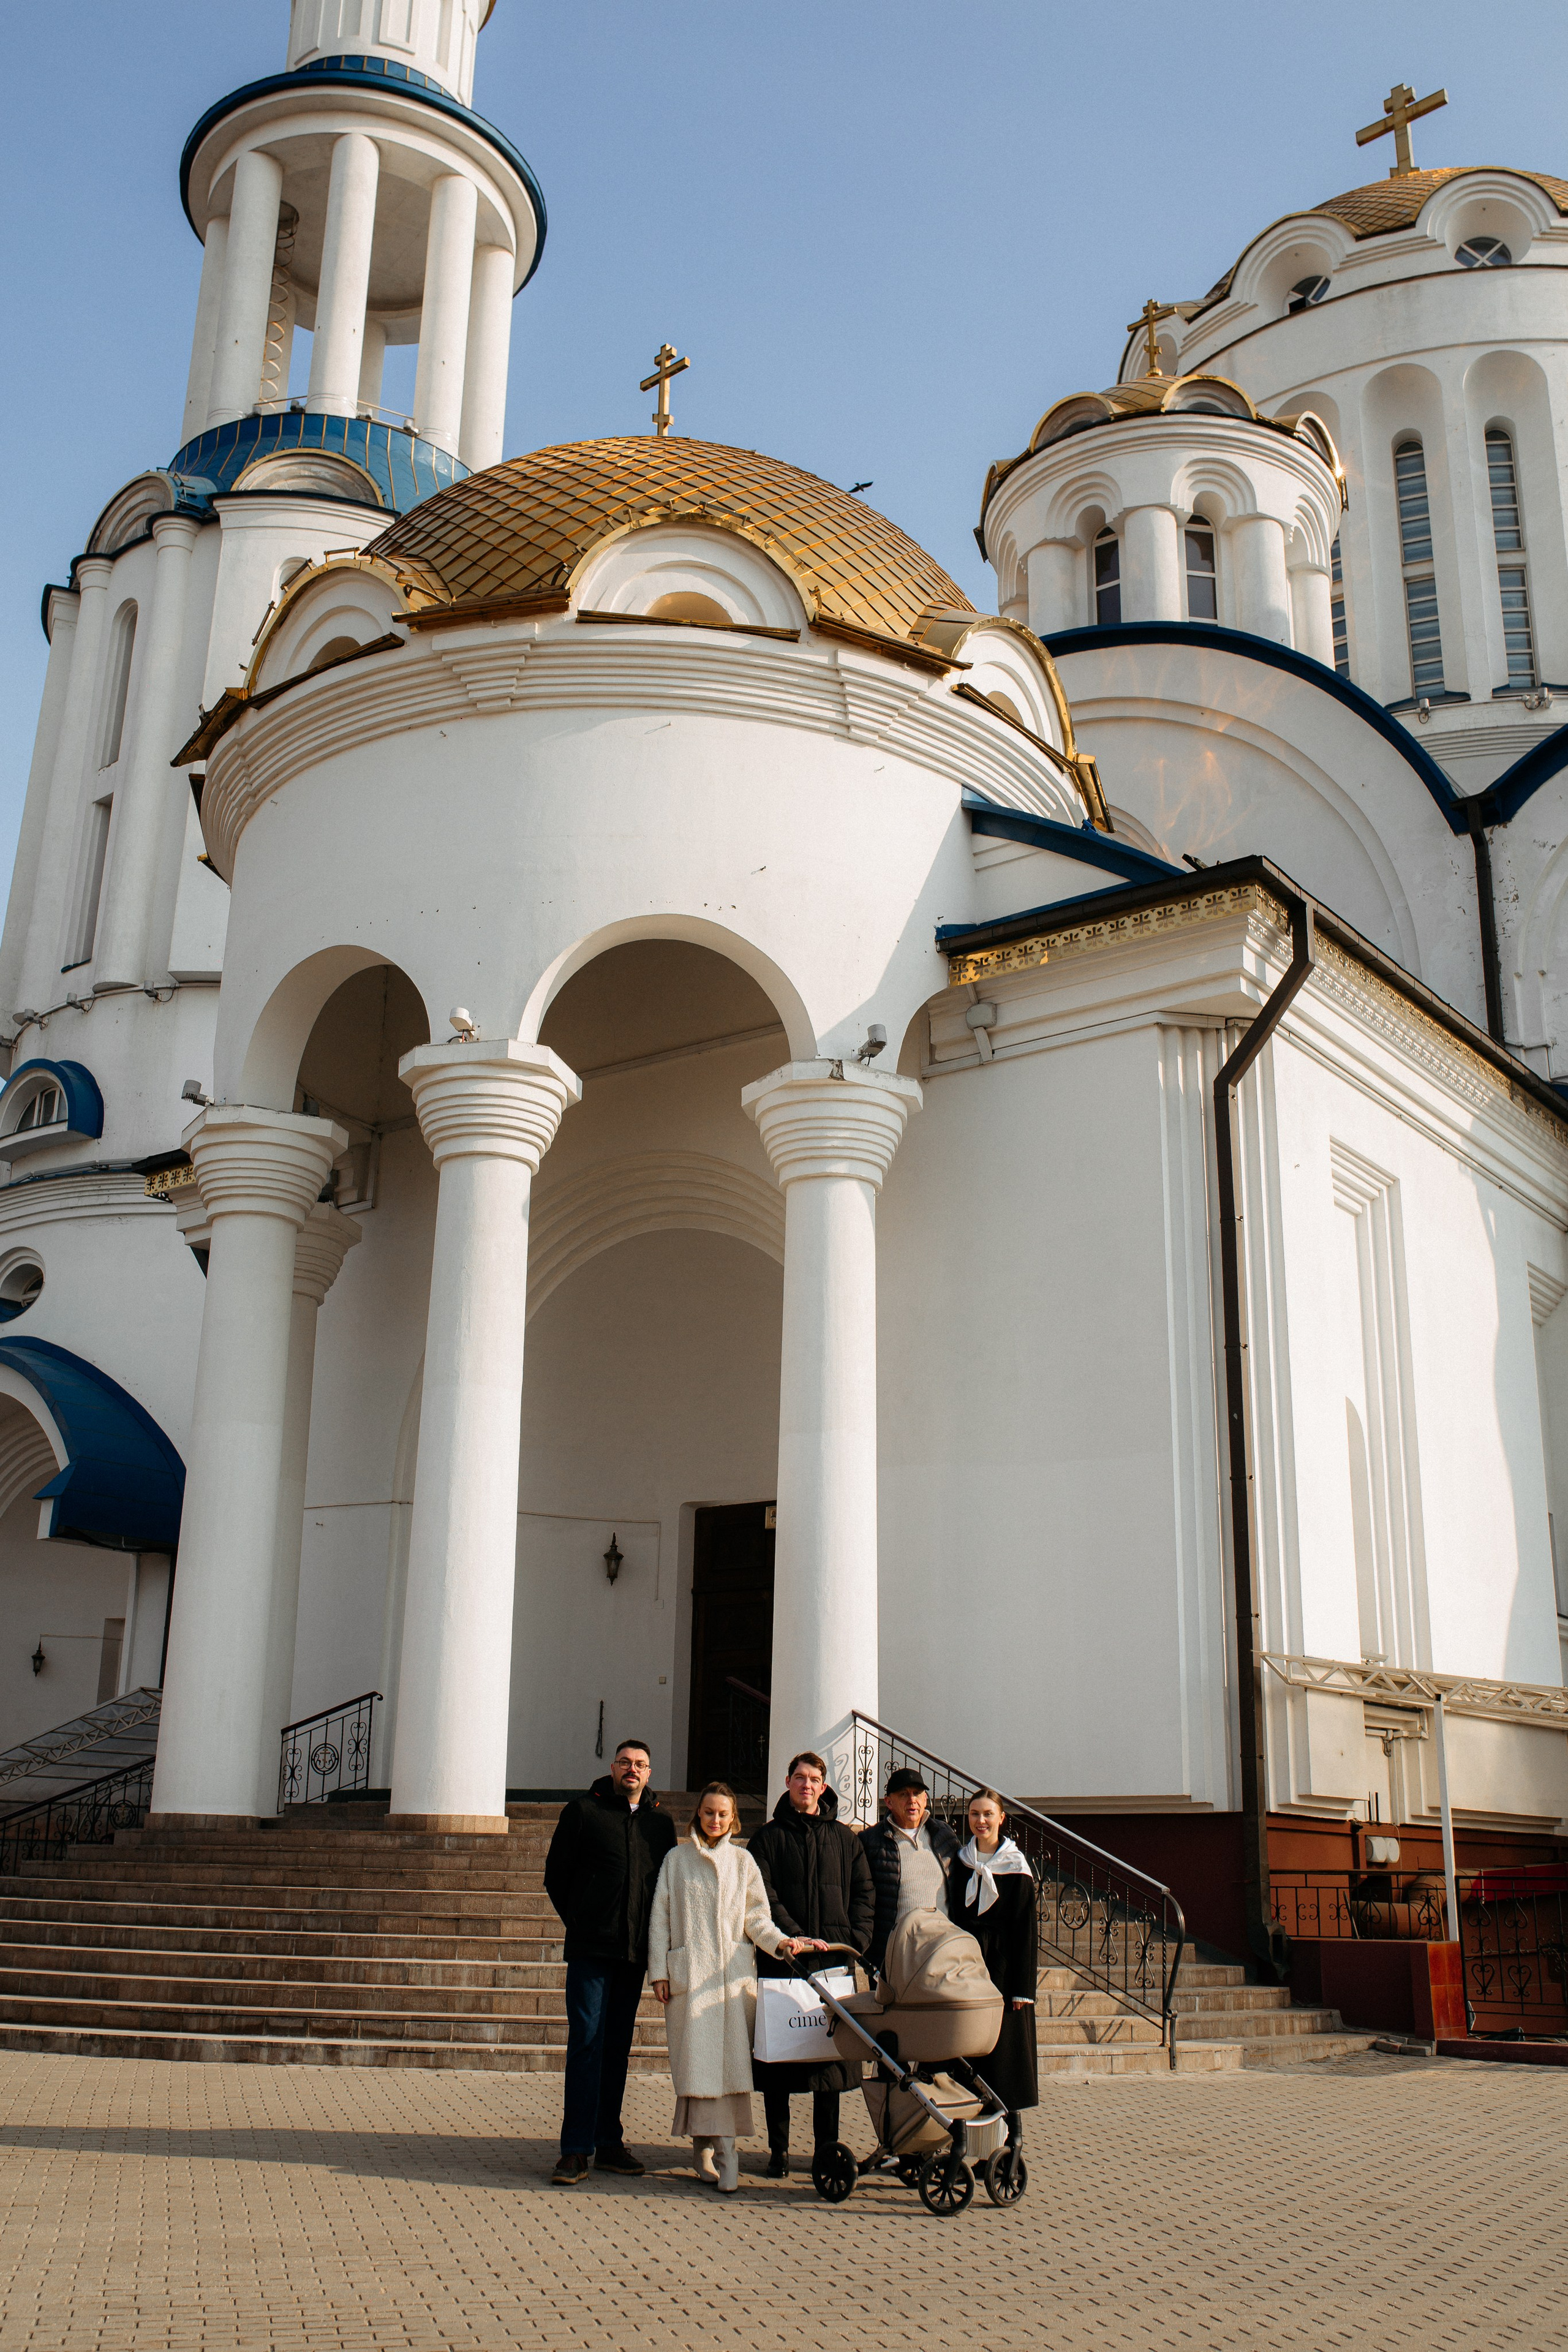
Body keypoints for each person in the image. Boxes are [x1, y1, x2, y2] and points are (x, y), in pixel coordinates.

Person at [648, 1782, 817, 2193]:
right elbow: (661, 1917)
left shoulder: (743, 1862)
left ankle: (725, 2154)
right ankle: (705, 2149)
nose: (715, 1820)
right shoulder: (676, 1860)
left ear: (733, 1818)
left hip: (729, 1983)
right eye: (709, 1812)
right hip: (691, 1979)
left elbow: (757, 1917)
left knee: (726, 2070)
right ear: (698, 1814)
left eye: (723, 1814)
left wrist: (780, 1943)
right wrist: (660, 1971)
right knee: (697, 2066)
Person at [543, 1737, 676, 2185]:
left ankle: (609, 2142)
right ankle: (575, 2150)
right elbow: (556, 1875)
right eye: (625, 1762)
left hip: (633, 1953)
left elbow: (664, 1887)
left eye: (640, 1764)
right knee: (587, 2042)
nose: (632, 1769)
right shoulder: (583, 1811)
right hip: (591, 1950)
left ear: (649, 1772)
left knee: (616, 2047)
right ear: (613, 1768)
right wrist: (583, 1920)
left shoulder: (660, 1823)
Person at [747, 1749, 876, 2176]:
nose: (806, 1785)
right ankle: (779, 2151)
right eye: (799, 1778)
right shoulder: (767, 1839)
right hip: (784, 1960)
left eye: (814, 1779)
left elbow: (865, 1894)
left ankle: (826, 2150)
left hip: (834, 1962)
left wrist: (854, 1941)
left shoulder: (845, 1839)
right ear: (787, 1783)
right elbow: (763, 1896)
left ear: (824, 1787)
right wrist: (791, 1938)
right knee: (779, 2060)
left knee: (829, 2065)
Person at [948, 1788, 1038, 2147]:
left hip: (1003, 1970)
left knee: (1003, 2057)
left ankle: (1009, 2138)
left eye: (988, 1814)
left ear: (1001, 1818)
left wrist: (1022, 1990)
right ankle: (966, 2139)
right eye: (974, 1814)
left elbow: (1026, 1932)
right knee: (969, 2054)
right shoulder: (961, 1862)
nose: (981, 1821)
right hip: (968, 1967)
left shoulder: (1016, 1867)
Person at [859, 1767, 960, 1977]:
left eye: (917, 1794)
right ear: (889, 1802)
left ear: (925, 1800)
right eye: (904, 1794)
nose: (912, 1800)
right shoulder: (870, 1841)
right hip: (895, 1955)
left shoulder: (944, 1835)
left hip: (942, 1950)